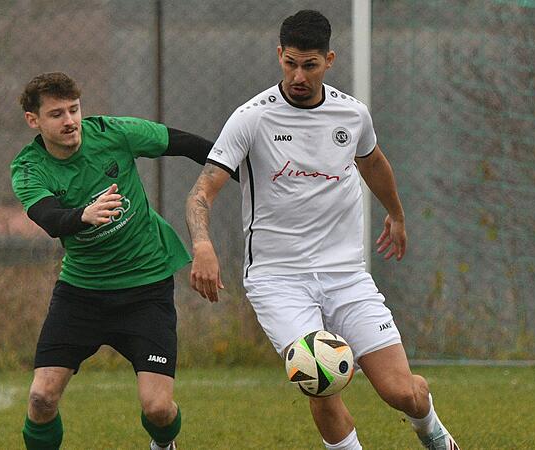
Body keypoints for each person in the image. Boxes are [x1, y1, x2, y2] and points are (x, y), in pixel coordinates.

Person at [185, 10, 459, 450]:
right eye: (290, 62)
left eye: (309, 65)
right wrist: (202, 243)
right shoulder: (251, 118)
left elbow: (373, 162)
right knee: (318, 375)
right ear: (279, 55)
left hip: (346, 275)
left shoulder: (351, 114)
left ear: (329, 60)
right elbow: (202, 192)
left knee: (400, 391)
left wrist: (397, 214)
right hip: (278, 279)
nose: (298, 75)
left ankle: (432, 431)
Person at [11, 72, 224, 450]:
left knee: (158, 408)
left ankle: (164, 445)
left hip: (146, 290)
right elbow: (46, 216)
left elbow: (186, 144)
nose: (70, 121)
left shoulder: (112, 132)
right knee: (41, 398)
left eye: (74, 110)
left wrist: (250, 171)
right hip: (82, 293)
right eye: (56, 114)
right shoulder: (28, 168)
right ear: (34, 120)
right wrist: (83, 215)